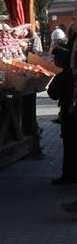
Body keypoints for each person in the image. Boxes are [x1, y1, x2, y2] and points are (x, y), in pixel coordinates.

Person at [48, 46, 77, 185]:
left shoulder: (66, 75)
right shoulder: (70, 74)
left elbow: (53, 93)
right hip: (70, 111)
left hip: (69, 112)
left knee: (69, 144)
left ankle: (69, 175)